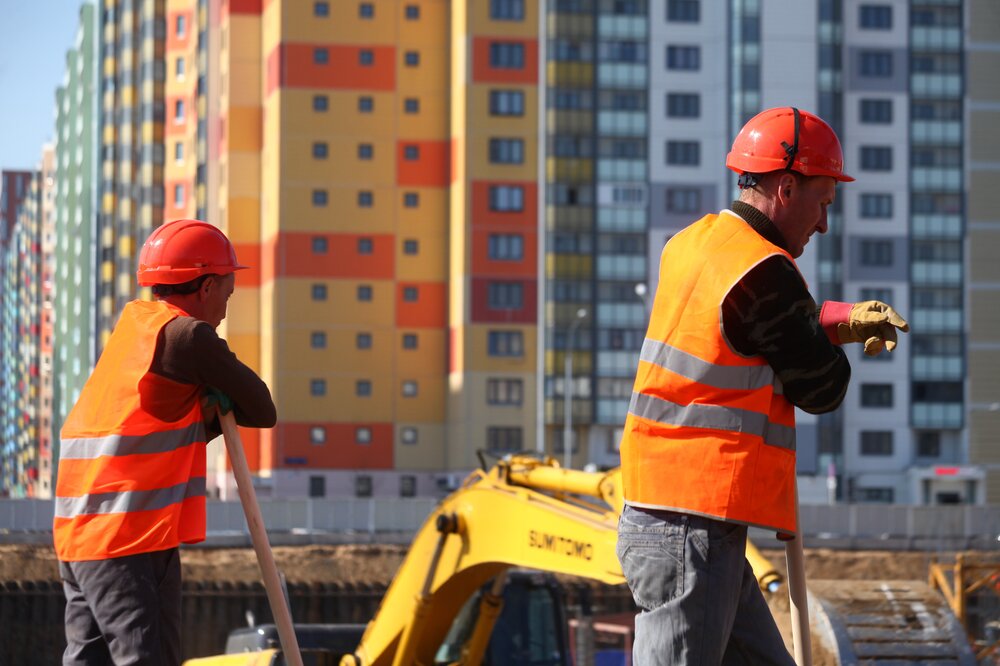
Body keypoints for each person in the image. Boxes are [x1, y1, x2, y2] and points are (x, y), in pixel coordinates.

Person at [616, 107, 909, 665]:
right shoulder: (763, 270)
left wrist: (831, 320)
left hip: (677, 517)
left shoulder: (695, 244)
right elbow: (823, 388)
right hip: (691, 525)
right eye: (823, 205)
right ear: (787, 186)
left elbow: (743, 329)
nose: (823, 224)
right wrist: (834, 336)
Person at [53, 219, 277, 665]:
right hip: (131, 540)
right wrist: (213, 404)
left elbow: (149, 422)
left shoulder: (134, 331)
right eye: (227, 296)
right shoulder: (187, 336)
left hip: (79, 537)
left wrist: (200, 413)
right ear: (207, 286)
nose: (226, 311)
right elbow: (262, 409)